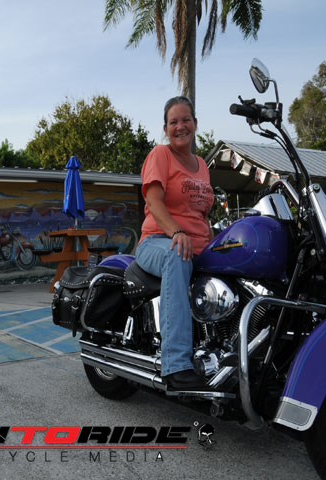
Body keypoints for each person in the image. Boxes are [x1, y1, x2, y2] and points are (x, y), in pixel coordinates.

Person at [135, 96, 214, 390]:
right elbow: (154, 202)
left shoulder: (202, 164)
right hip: (158, 241)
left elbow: (201, 215)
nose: (180, 126)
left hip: (195, 246)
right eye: (173, 122)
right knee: (178, 255)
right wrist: (177, 232)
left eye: (186, 120)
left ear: (195, 123)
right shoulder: (161, 155)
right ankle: (176, 364)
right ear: (166, 128)